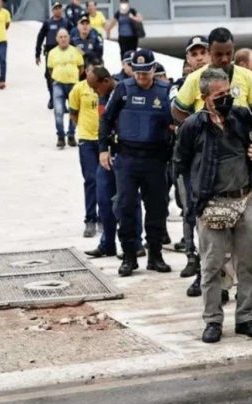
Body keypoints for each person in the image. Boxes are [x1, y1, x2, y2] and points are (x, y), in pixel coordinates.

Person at [174, 67, 252, 344]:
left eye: (228, 93)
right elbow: (180, 165)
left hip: (245, 199)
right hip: (211, 203)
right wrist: (193, 204)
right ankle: (213, 320)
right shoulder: (193, 126)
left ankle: (246, 317)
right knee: (212, 265)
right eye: (219, 95)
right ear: (205, 98)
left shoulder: (241, 117)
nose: (226, 98)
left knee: (250, 262)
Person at [173, 27, 252, 300]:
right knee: (212, 240)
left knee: (246, 241)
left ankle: (245, 296)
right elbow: (177, 108)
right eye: (218, 54)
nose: (224, 59)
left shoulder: (247, 77)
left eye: (228, 53)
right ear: (210, 52)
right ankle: (213, 289)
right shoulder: (197, 78)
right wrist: (194, 127)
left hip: (239, 162)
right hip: (207, 165)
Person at [99, 49, 173, 277]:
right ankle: (129, 256)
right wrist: (103, 149)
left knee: (157, 208)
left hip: (155, 159)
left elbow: (176, 122)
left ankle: (155, 255)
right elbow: (107, 120)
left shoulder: (165, 91)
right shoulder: (123, 89)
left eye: (146, 73)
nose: (141, 77)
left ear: (154, 69)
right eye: (137, 73)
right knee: (126, 207)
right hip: (127, 158)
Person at [84, 65, 145, 260]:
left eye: (96, 88)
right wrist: (103, 149)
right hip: (108, 154)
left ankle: (135, 244)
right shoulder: (104, 95)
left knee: (128, 201)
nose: (95, 92)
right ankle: (107, 243)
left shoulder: (125, 91)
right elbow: (104, 122)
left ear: (106, 81)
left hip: (126, 154)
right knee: (103, 198)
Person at [175, 35, 210, 295]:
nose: (199, 57)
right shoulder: (183, 84)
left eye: (202, 52)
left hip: (223, 158)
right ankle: (199, 268)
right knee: (193, 213)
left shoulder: (223, 79)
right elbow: (176, 112)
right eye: (194, 53)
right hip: (194, 160)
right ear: (187, 58)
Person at [69, 58, 104, 239]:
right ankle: (90, 218)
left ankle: (104, 218)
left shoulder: (106, 88)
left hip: (104, 140)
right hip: (87, 140)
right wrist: (83, 129)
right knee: (90, 179)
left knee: (106, 181)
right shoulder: (79, 89)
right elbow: (73, 112)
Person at [47, 28, 84, 149]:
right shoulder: (52, 53)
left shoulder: (76, 51)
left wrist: (73, 76)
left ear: (69, 38)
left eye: (65, 36)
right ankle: (61, 136)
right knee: (58, 111)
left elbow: (81, 67)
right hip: (58, 84)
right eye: (60, 37)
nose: (63, 39)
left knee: (74, 111)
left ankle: (71, 135)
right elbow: (50, 69)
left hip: (73, 85)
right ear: (57, 39)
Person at [36, 2, 72, 109]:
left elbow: (73, 35)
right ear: (52, 10)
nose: (58, 10)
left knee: (65, 75)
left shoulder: (66, 23)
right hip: (51, 54)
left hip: (65, 53)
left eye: (60, 8)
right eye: (56, 8)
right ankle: (52, 98)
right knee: (49, 76)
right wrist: (37, 53)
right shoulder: (47, 23)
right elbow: (40, 37)